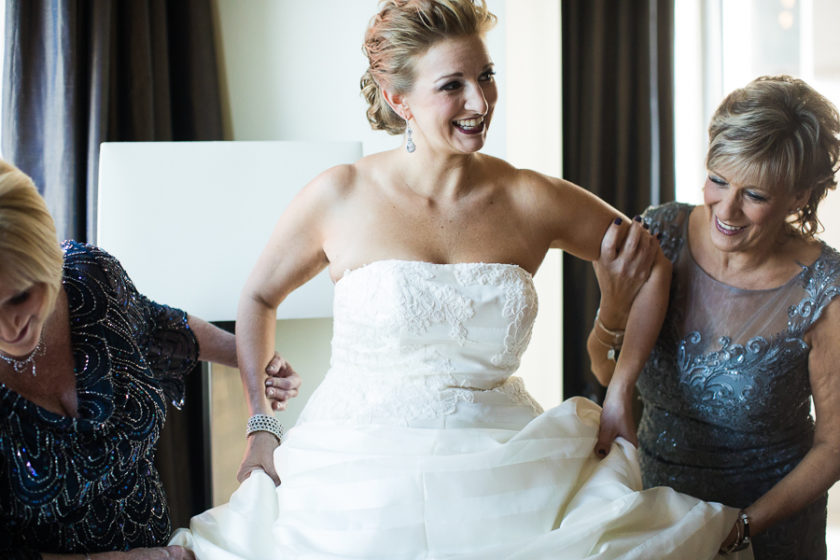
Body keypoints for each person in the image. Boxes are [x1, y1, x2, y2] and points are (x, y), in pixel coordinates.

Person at [170, 1, 749, 558]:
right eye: (453, 85)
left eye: (487, 75)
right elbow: (258, 294)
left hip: (507, 464)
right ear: (400, 100)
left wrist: (621, 392)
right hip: (355, 471)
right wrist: (262, 427)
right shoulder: (339, 194)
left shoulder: (531, 196)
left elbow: (650, 268)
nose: (480, 100)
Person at [588, 75, 840, 558]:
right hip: (657, 511)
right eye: (718, 180)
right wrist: (613, 310)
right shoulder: (660, 231)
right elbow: (603, 368)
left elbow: (834, 446)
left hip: (768, 528)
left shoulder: (825, 290)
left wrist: (742, 527)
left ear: (799, 197)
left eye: (756, 195)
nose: (727, 209)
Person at [0, 158, 299, 560]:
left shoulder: (91, 279)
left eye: (21, 296)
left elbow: (161, 326)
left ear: (45, 254)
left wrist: (257, 360)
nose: (10, 326)